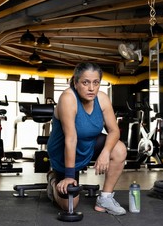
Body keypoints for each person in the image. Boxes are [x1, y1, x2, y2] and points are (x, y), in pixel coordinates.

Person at [47, 62, 127, 216]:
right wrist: (69, 177)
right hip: (64, 151)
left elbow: (114, 130)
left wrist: (105, 152)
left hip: (88, 145)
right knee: (68, 205)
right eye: (85, 82)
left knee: (119, 149)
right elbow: (70, 139)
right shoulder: (68, 98)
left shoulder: (102, 98)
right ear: (76, 83)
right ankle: (52, 181)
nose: (91, 88)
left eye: (96, 83)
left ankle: (105, 198)